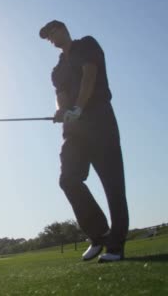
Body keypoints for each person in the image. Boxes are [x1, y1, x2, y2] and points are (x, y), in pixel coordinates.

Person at [39, 20, 129, 263]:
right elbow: (61, 97)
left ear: (63, 29)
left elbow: (91, 74)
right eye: (47, 37)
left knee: (113, 184)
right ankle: (99, 234)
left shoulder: (86, 45)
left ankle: (116, 246)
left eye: (52, 32)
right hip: (74, 129)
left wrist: (79, 107)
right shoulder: (56, 70)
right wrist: (62, 111)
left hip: (99, 118)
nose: (51, 39)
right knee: (68, 179)